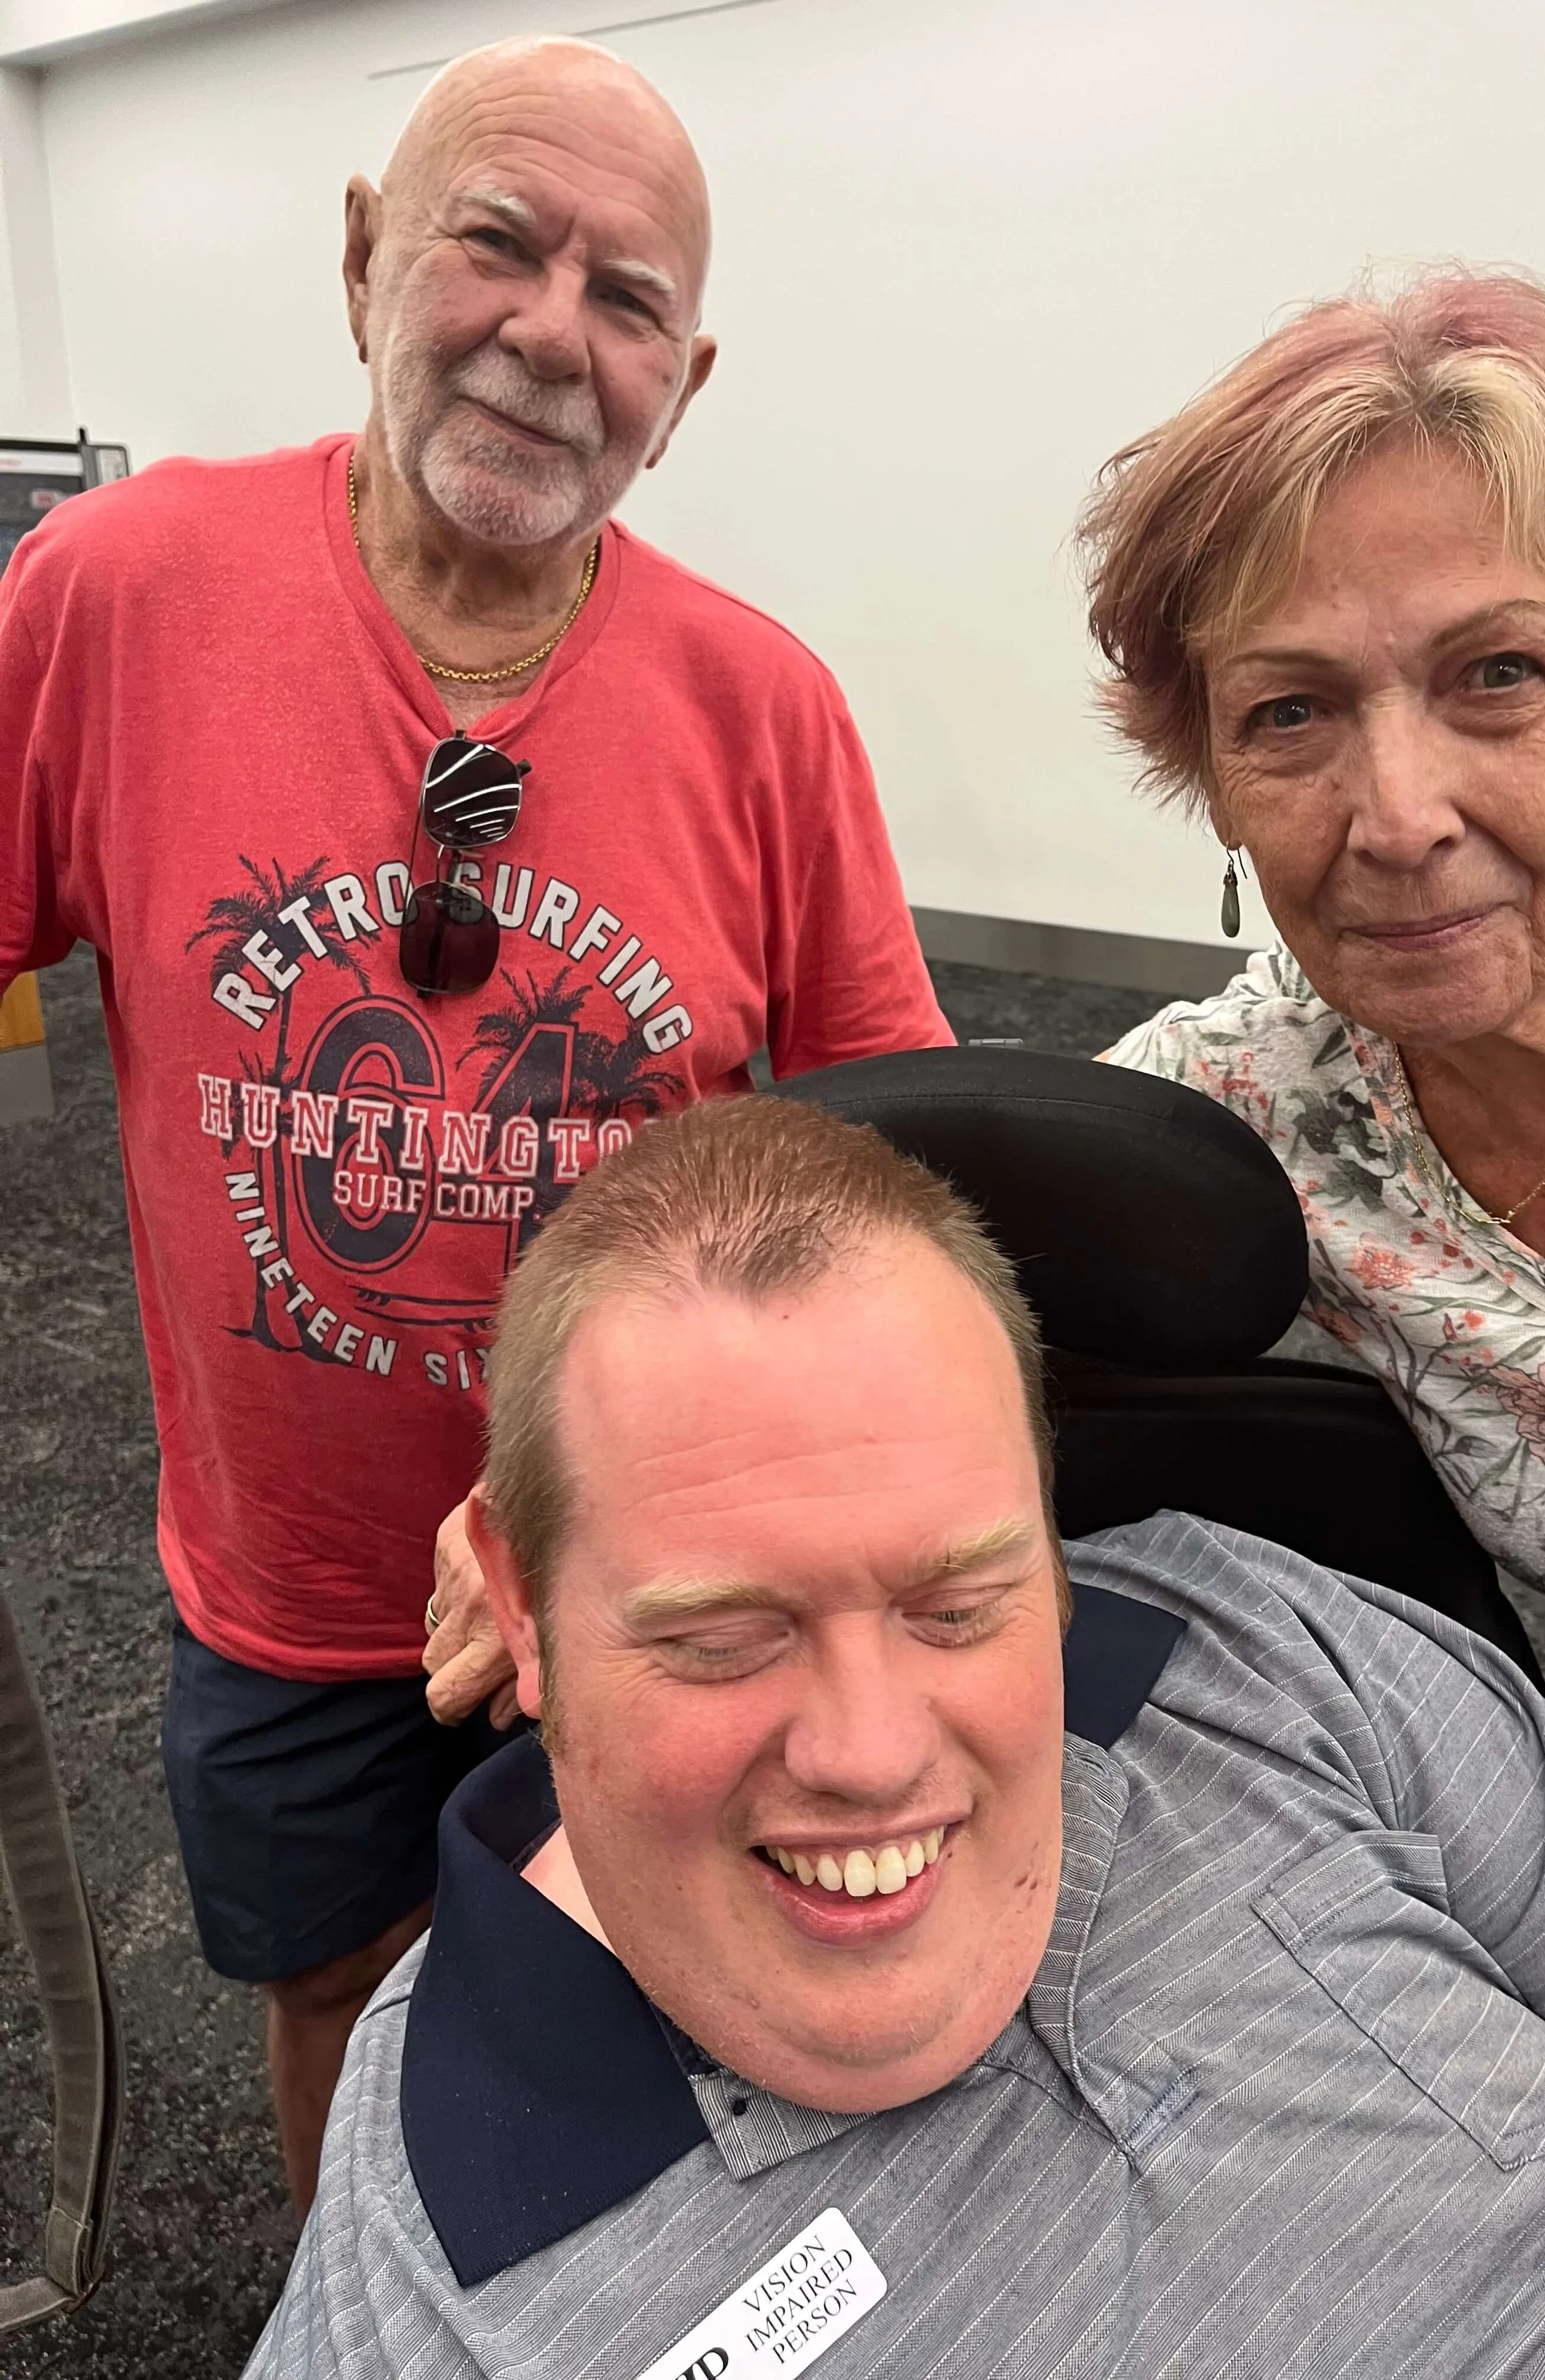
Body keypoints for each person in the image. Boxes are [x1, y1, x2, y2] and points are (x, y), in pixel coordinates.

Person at [0, 36, 949, 2209]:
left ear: (681, 386)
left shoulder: (762, 707)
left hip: (656, 1566)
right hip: (290, 1587)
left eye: (627, 301)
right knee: (341, 1995)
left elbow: (882, 1160)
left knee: (672, 2016)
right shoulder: (117, 593)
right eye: (496, 244)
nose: (548, 332)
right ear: (363, 261)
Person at [244, 1093, 1545, 2379]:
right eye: (721, 1639)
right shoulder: (429, 2287)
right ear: (521, 1607)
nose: (870, 1753)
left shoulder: (1255, 1653)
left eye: (956, 1606)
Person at [1087, 270, 1545, 1867]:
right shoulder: (1253, 1111)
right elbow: (849, 1253)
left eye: (1497, 676)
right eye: (1291, 711)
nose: (1399, 818)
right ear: (1211, 777)